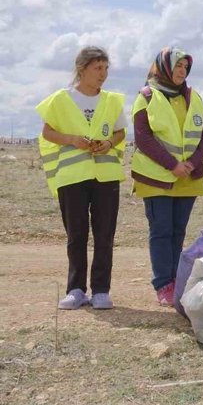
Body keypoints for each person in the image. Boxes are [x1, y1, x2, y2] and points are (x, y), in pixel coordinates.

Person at [36, 46, 126, 310]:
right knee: (76, 235)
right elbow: (47, 132)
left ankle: (101, 291)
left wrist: (108, 143)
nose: (103, 74)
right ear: (81, 69)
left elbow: (120, 132)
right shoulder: (62, 99)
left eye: (106, 68)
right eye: (98, 68)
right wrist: (72, 140)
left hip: (106, 177)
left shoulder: (111, 101)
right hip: (72, 177)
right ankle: (75, 290)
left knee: (104, 234)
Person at [131, 47, 203, 307]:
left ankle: (177, 280)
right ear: (164, 66)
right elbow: (143, 138)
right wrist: (172, 165)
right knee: (161, 231)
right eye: (178, 65)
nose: (182, 71)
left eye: (186, 67)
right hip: (156, 177)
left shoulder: (193, 97)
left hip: (187, 177)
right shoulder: (146, 96)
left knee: (178, 231)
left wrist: (192, 163)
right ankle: (163, 283)